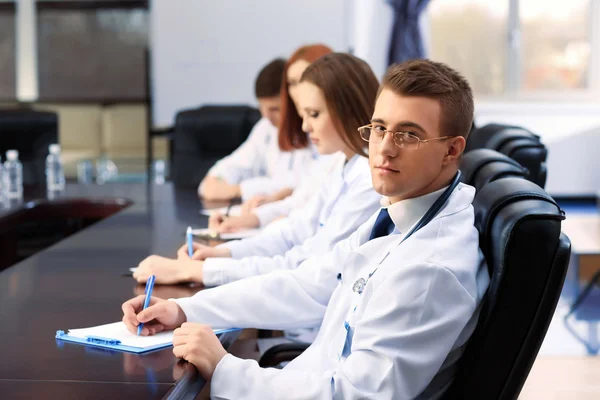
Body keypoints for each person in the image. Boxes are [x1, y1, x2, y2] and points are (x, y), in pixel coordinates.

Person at [123, 59, 490, 399]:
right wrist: (184, 309)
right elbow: (311, 284)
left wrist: (225, 369)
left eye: (409, 135)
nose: (384, 149)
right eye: (379, 128)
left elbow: (353, 395)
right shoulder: (398, 217)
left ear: (451, 150)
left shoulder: (428, 269)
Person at [133, 53, 382, 289]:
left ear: (346, 108)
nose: (305, 126)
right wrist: (224, 253)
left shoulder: (370, 179)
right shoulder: (341, 163)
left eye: (314, 114)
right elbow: (295, 231)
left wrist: (199, 271)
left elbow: (307, 266)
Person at [199, 45, 332, 204]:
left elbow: (302, 183)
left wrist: (239, 190)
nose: (267, 117)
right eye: (292, 83)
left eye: (275, 109)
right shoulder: (266, 128)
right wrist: (214, 179)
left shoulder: (322, 130)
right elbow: (234, 165)